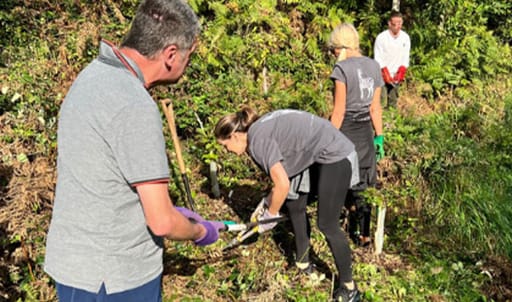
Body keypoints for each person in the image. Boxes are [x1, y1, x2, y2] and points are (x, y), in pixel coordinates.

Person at [44, 1, 224, 301]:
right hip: (116, 276)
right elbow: (162, 222)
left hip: (75, 266)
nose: (186, 66)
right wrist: (199, 231)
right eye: (188, 57)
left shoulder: (93, 75)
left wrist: (165, 209)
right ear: (170, 54)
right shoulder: (134, 104)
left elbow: (103, 175)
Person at [215, 108, 361, 302]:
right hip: (317, 153)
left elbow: (282, 183)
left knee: (327, 224)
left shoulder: (257, 142)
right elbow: (283, 173)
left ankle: (350, 288)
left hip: (336, 154)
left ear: (235, 136)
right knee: (294, 203)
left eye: (226, 146)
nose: (228, 152)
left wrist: (270, 214)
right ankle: (303, 262)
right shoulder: (258, 130)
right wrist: (268, 201)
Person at [327, 23, 384, 248]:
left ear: (340, 47)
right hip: (366, 135)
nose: (332, 54)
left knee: (343, 182)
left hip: (346, 134)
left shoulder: (341, 70)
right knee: (365, 185)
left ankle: (345, 227)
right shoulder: (374, 66)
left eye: (333, 49)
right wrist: (379, 137)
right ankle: (364, 235)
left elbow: (339, 111)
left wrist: (328, 138)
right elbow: (375, 109)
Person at [374, 10, 410, 108]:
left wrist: (402, 69)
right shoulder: (381, 38)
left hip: (396, 75)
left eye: (400, 23)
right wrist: (384, 71)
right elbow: (377, 57)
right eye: (395, 24)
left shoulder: (405, 38)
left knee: (393, 102)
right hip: (382, 74)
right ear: (390, 23)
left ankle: (392, 122)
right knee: (381, 101)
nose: (398, 26)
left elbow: (405, 56)